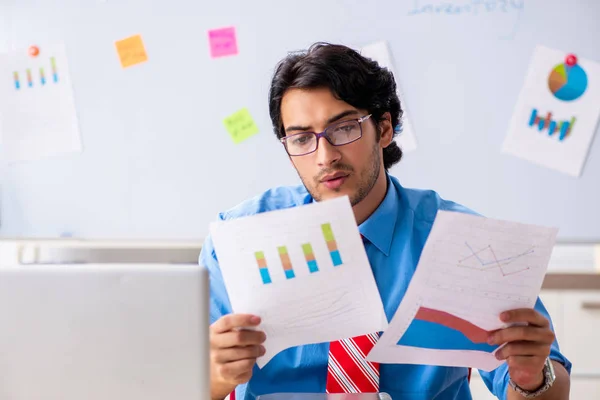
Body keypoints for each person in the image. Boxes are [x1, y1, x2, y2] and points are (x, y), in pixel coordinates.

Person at [202, 42, 571, 400]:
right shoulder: (238, 240)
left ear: (383, 128)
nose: (324, 156)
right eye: (301, 139)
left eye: (344, 129)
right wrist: (213, 379)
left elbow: (547, 387)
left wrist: (530, 378)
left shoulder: (463, 242)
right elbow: (177, 382)